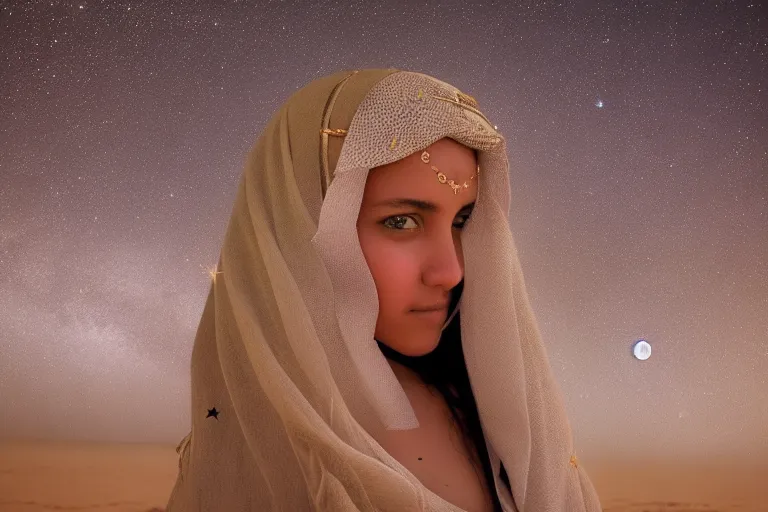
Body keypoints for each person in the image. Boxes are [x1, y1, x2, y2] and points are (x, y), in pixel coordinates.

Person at [166, 69, 602, 511]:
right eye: (401, 222)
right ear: (301, 222)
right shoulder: (251, 447)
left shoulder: (494, 414)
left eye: (462, 222)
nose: (450, 272)